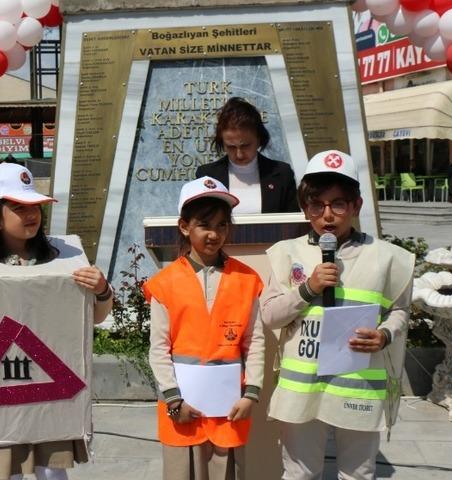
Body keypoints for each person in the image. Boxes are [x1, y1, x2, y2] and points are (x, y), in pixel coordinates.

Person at [0, 162, 113, 480]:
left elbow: (91, 318)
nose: (31, 215)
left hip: (48, 393)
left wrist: (102, 290)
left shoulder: (61, 259)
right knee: (3, 473)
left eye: (35, 207)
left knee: (52, 473)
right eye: (18, 207)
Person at [260, 150, 414, 480]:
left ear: (356, 205)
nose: (328, 215)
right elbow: (270, 316)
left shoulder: (388, 257)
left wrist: (384, 334)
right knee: (300, 473)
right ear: (306, 208)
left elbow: (400, 311)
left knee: (358, 474)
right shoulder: (286, 254)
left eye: (338, 204)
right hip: (302, 387)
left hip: (358, 387)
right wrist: (308, 288)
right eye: (318, 205)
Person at [146, 177, 264, 480]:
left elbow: (255, 341)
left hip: (229, 410)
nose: (214, 234)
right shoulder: (165, 283)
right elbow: (158, 349)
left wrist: (251, 395)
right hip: (181, 410)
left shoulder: (246, 279)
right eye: (205, 224)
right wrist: (174, 401)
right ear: (185, 226)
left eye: (223, 225)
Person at [196, 97, 298, 214]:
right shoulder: (207, 176)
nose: (239, 154)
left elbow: (292, 223)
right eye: (231, 147)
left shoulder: (282, 174)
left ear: (259, 139)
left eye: (245, 146)